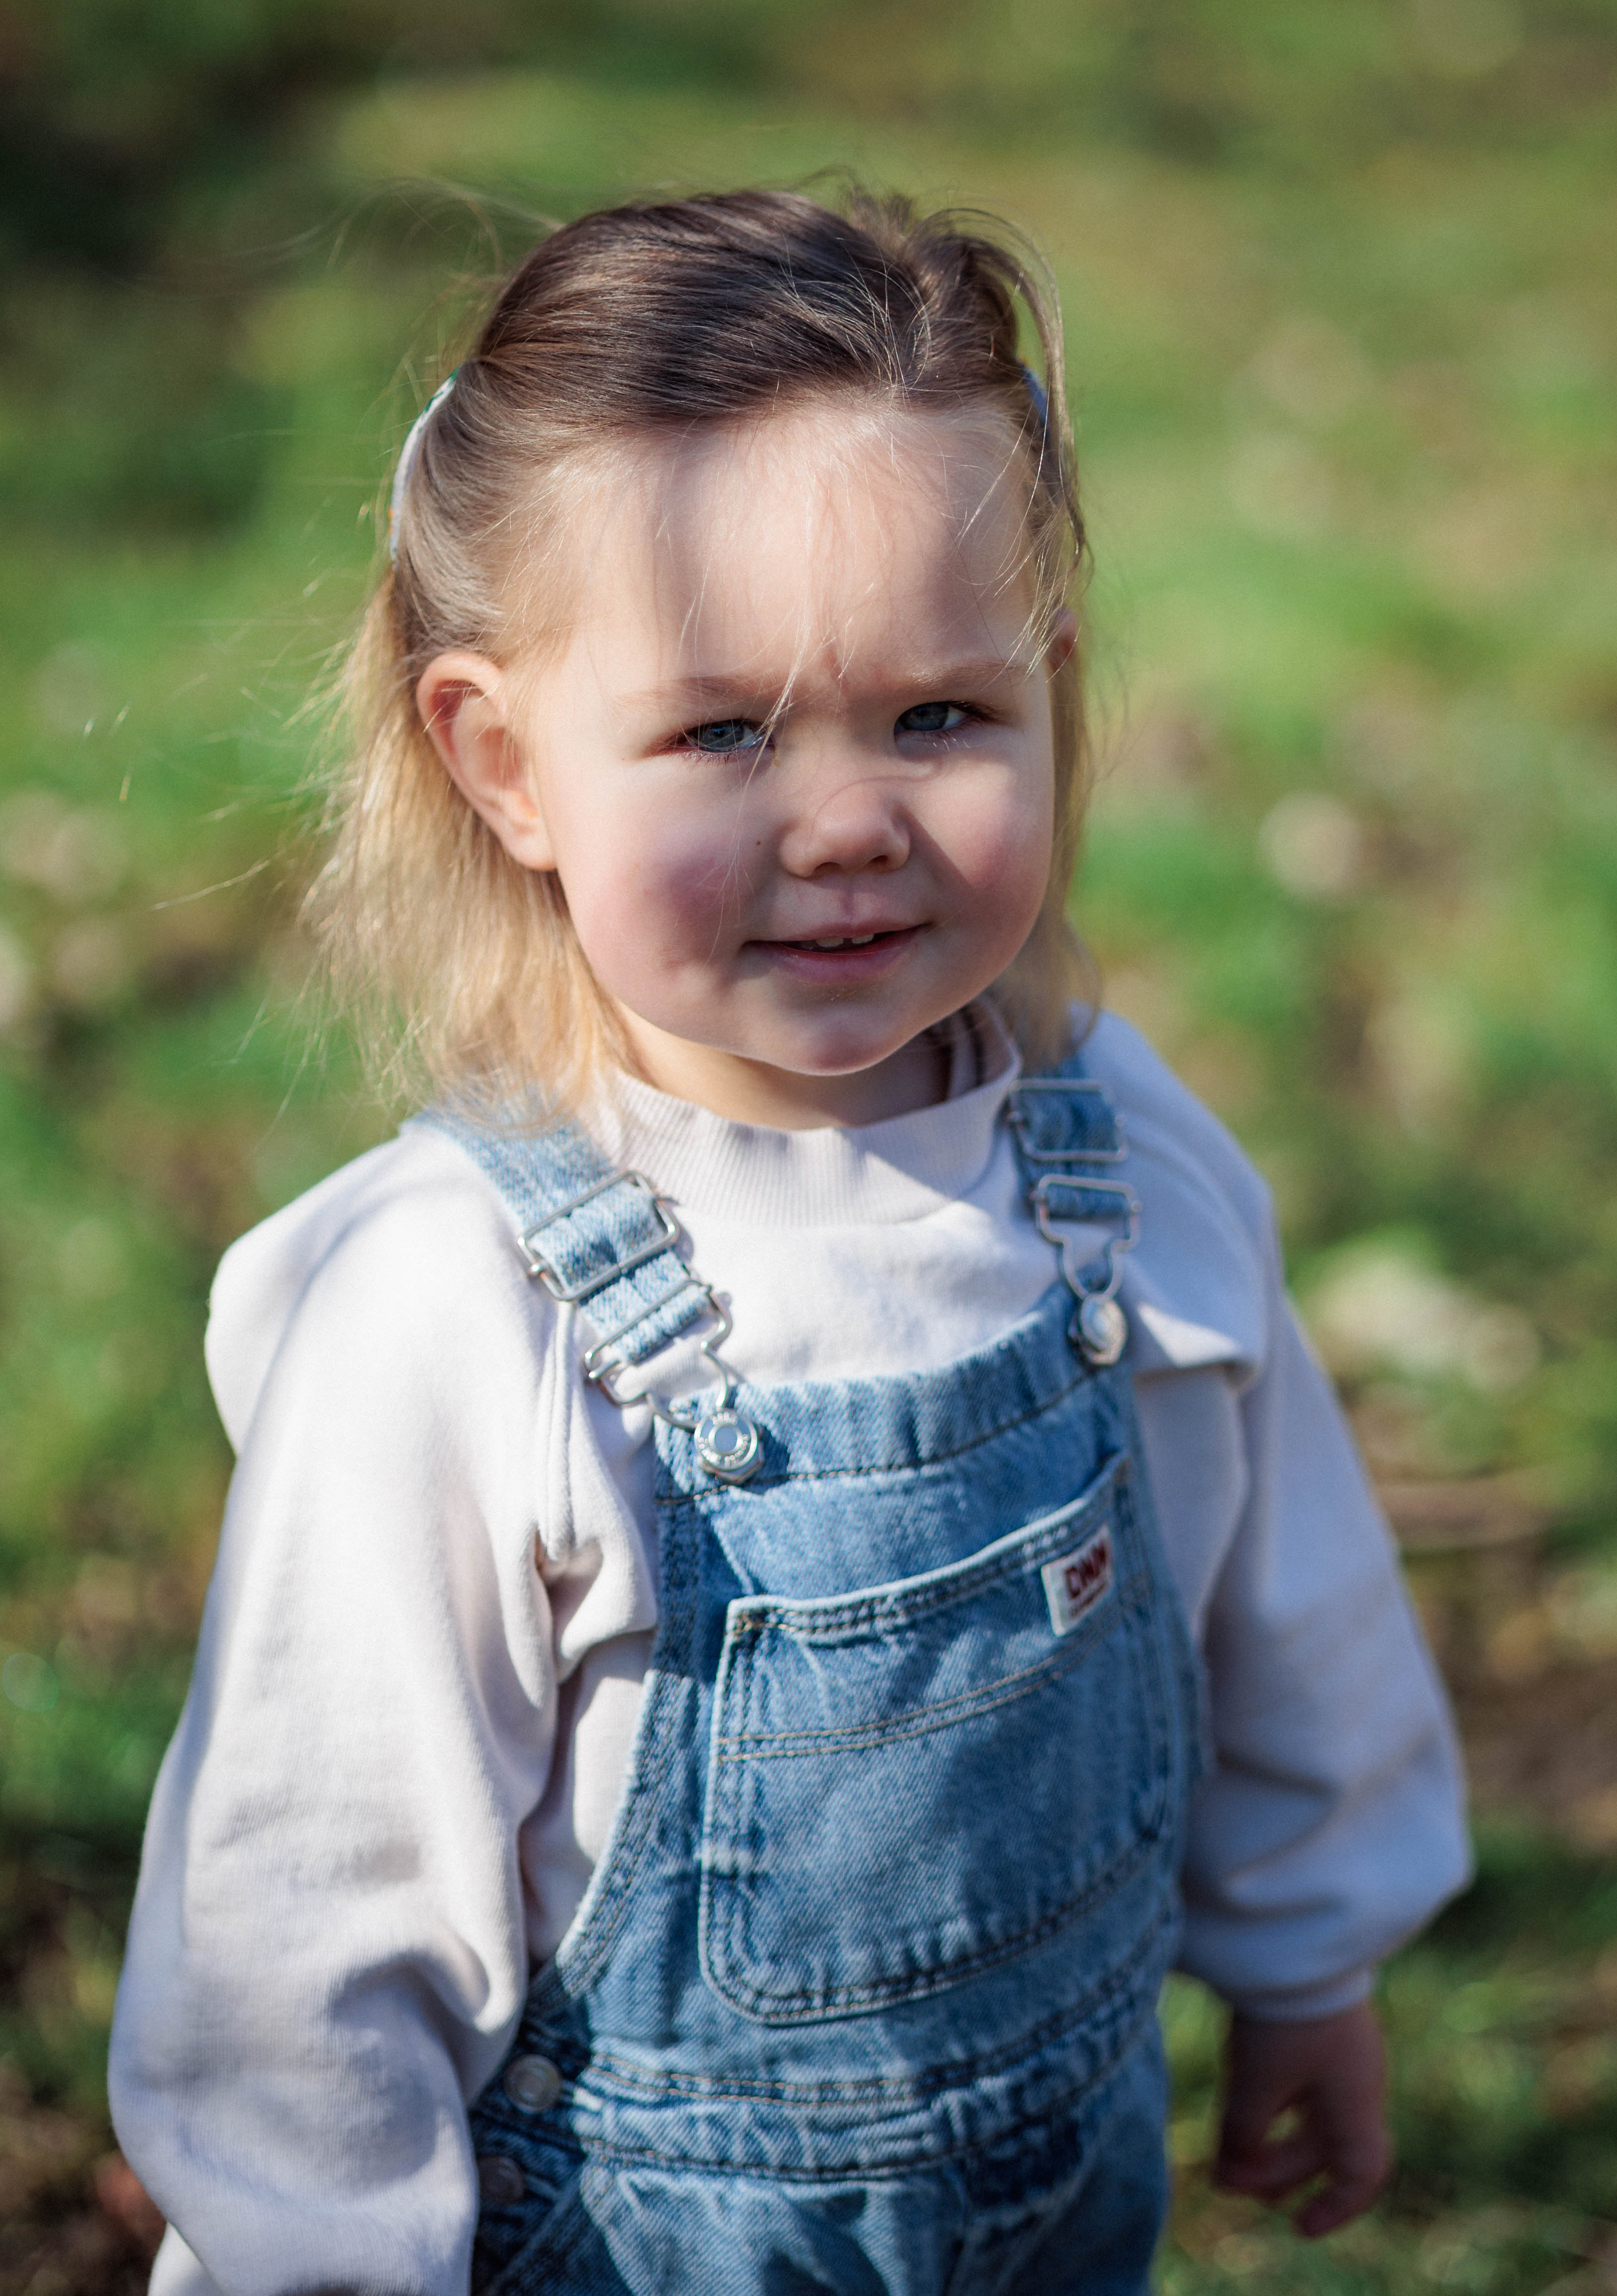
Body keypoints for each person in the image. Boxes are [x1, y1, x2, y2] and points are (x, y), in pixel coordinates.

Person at [109, 187, 1469, 2296]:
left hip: (1059, 2197)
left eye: (938, 715)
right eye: (722, 731)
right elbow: (303, 1922)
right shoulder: (460, 1312)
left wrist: (1307, 1955)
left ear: (1050, 691)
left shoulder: (1113, 1163)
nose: (843, 820)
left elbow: (1277, 1586)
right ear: (505, 761)